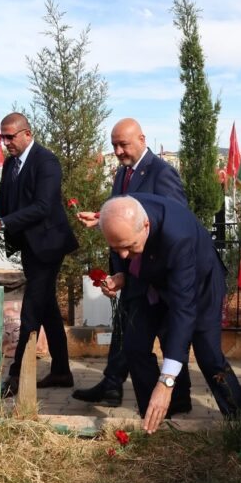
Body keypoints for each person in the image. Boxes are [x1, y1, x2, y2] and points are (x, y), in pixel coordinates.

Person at [72, 118, 192, 412]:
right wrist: (103, 218)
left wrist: (146, 268)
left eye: (123, 144)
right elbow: (129, 217)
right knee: (128, 332)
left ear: (141, 138)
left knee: (166, 337)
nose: (118, 150)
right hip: (132, 271)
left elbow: (173, 222)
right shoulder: (122, 174)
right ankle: (113, 384)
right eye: (113, 145)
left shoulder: (161, 173)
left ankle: (178, 399)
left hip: (156, 275)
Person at [96, 194, 241, 433]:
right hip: (153, 282)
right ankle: (153, 420)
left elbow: (183, 311)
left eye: (129, 246)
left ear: (146, 226)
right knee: (134, 346)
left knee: (209, 356)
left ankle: (238, 422)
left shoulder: (178, 237)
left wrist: (166, 382)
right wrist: (121, 274)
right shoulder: (123, 215)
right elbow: (122, 251)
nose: (122, 255)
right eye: (116, 247)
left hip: (199, 286)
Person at [0, 113, 79, 398]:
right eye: (2, 137)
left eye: (10, 137)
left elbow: (42, 206)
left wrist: (1, 223)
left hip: (49, 244)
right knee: (47, 307)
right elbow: (4, 200)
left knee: (31, 310)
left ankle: (16, 377)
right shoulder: (11, 163)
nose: (5, 142)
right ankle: (62, 371)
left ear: (27, 133)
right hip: (30, 245)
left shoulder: (46, 161)